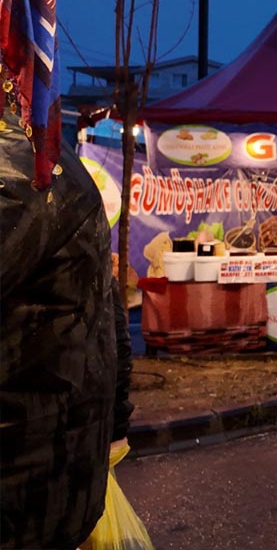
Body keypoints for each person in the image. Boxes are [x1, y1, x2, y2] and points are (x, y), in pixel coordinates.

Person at [2, 119, 130, 548]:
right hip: (60, 483)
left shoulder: (15, 174)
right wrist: (116, 425)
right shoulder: (55, 163)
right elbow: (112, 322)